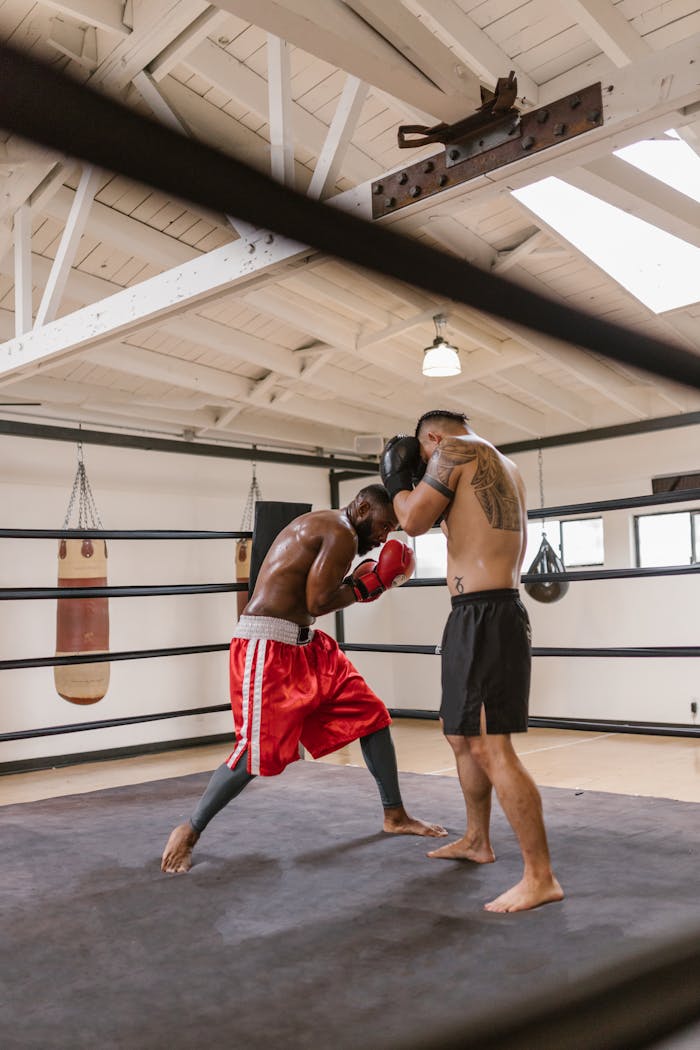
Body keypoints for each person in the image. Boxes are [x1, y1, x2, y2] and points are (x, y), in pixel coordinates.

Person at [162, 484, 447, 874]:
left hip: (308, 645)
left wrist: (360, 585)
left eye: (391, 531)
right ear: (362, 507)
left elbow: (312, 603)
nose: (384, 537)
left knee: (371, 715)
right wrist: (369, 585)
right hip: (268, 647)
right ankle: (189, 831)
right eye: (383, 526)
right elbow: (318, 602)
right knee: (254, 753)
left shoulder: (334, 528)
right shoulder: (341, 532)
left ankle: (394, 814)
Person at [380, 411, 563, 913]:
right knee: (459, 733)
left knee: (490, 746)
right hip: (474, 614)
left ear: (433, 439)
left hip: (487, 615)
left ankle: (540, 876)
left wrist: (397, 483)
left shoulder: (454, 451)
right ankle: (477, 840)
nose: (424, 466)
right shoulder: (502, 463)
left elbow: (412, 520)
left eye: (422, 456)